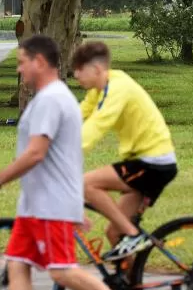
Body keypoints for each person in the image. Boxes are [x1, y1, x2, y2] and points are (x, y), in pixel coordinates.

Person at [0, 34, 151, 290]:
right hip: (37, 204)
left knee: (61, 271)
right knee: (18, 264)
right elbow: (64, 157)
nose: (20, 70)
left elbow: (36, 153)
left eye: (22, 62)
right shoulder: (49, 99)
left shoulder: (52, 100)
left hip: (50, 205)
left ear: (39, 62)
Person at [72, 40, 178, 261]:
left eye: (79, 70)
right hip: (144, 161)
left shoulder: (117, 88)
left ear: (97, 69)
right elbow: (80, 113)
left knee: (86, 184)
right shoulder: (100, 88)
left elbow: (99, 123)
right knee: (113, 232)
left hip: (152, 163)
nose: (75, 76)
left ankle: (132, 234)